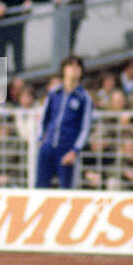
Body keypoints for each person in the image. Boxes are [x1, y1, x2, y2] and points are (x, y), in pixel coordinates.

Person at [35, 55, 93, 189]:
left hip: (67, 149)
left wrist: (75, 151)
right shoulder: (54, 93)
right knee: (40, 187)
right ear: (64, 70)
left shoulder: (84, 98)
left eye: (77, 66)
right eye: (70, 66)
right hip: (48, 146)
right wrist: (41, 139)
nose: (74, 69)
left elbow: (85, 127)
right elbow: (44, 117)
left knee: (66, 189)